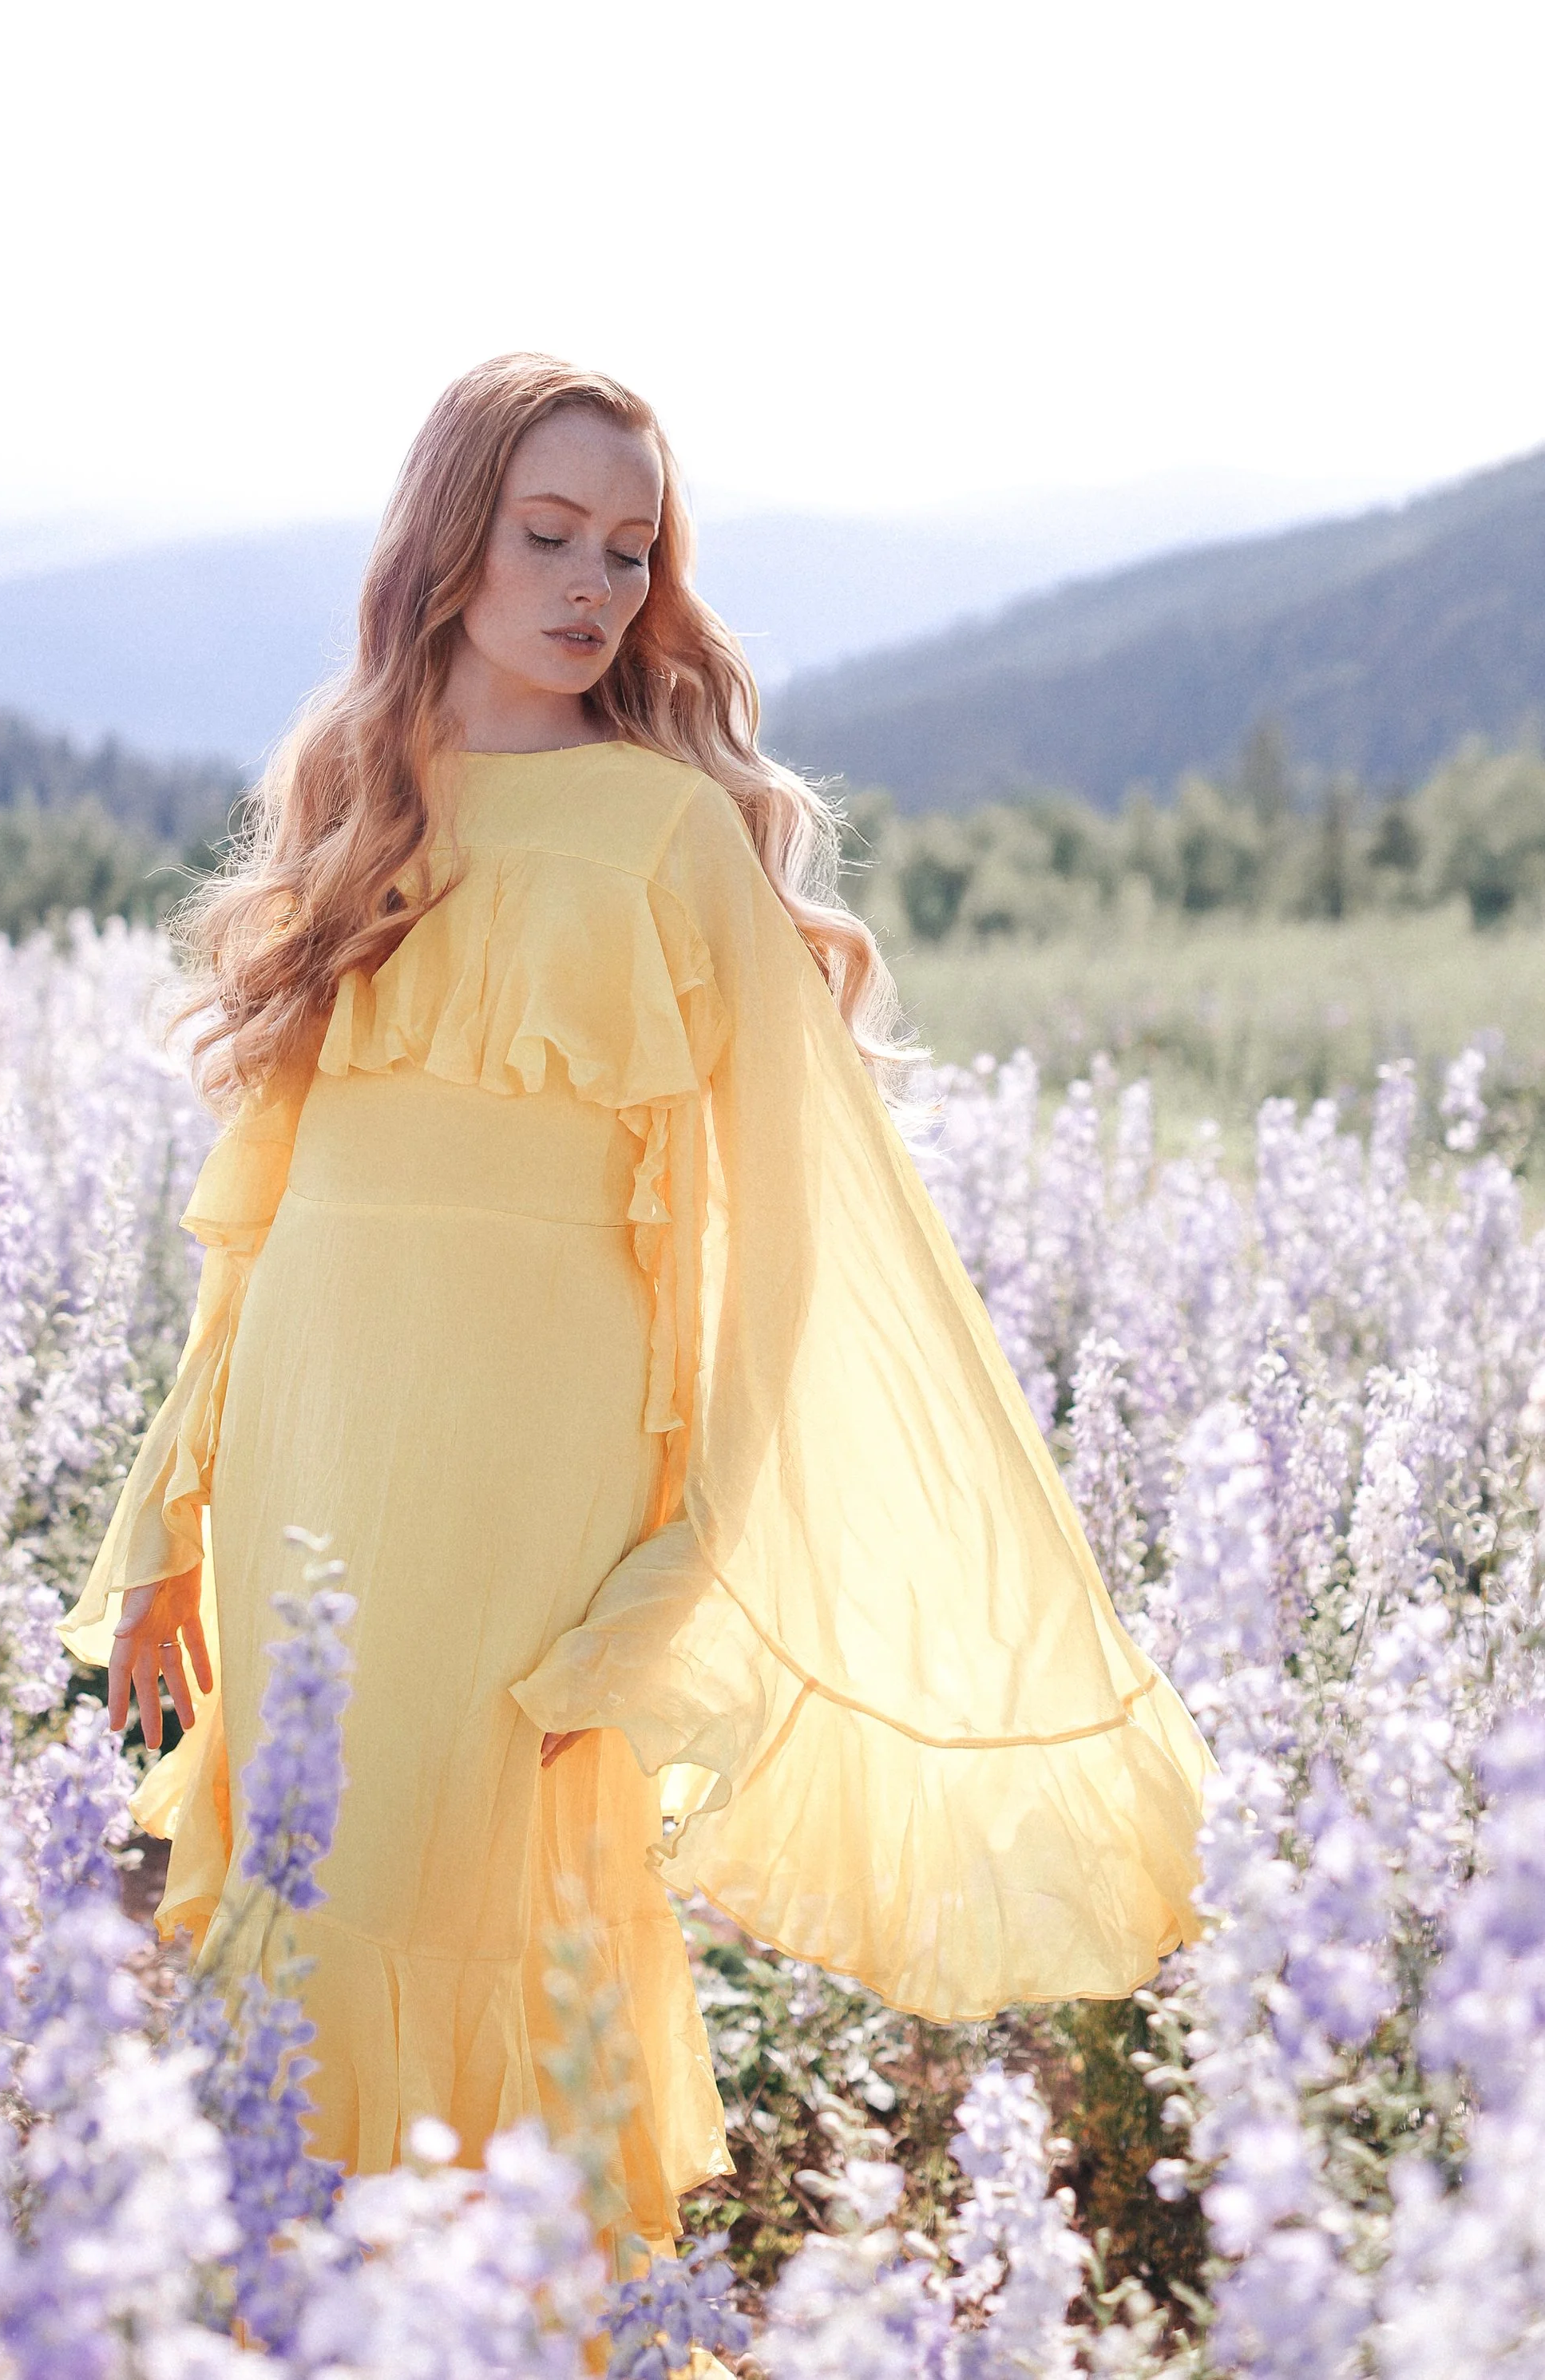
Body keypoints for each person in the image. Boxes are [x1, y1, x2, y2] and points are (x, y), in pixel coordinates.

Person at [61, 352, 1207, 2253]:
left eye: (628, 548)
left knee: (479, 1892)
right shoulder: (354, 796)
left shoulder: (667, 835)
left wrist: (692, 1552)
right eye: (548, 535)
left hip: (534, 1464)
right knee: (307, 1883)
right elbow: (261, 1221)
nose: (592, 586)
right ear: (448, 541)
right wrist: (164, 1517)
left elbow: (814, 1226)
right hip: (303, 1451)